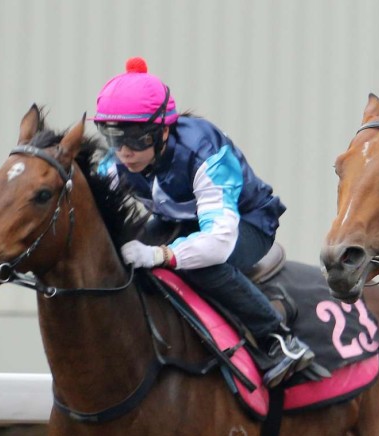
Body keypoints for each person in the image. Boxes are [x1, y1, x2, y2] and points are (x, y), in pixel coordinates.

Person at [91, 57, 318, 388]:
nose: (125, 151)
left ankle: (278, 340)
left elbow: (218, 242)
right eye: (114, 137)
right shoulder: (118, 162)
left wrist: (162, 255)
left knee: (198, 265)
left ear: (163, 130)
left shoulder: (204, 152)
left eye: (137, 137)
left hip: (247, 223)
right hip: (181, 222)